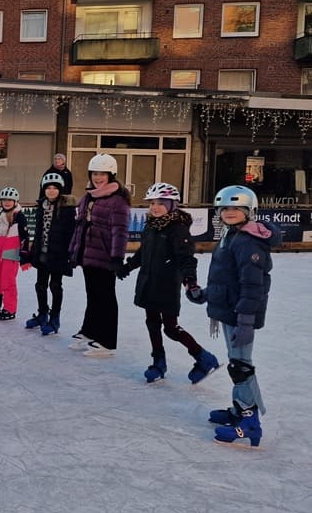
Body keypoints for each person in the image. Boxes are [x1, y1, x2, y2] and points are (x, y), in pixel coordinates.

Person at [186, 185, 280, 448]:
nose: (229, 212)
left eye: (236, 208)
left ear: (249, 211)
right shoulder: (232, 235)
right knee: (237, 362)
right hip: (230, 309)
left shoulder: (249, 241)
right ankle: (240, 409)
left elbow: (252, 287)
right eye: (225, 208)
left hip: (241, 314)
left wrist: (246, 322)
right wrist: (204, 294)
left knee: (241, 365)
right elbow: (227, 280)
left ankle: (250, 422)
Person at [117, 183, 219, 384]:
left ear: (172, 205)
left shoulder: (178, 229)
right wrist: (127, 267)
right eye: (152, 203)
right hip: (148, 282)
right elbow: (142, 253)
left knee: (170, 328)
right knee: (152, 323)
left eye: (161, 203)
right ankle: (158, 363)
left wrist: (191, 282)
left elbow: (186, 258)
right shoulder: (150, 226)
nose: (155, 207)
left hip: (166, 285)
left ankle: (204, 357)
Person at [68, 154, 131, 357]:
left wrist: (117, 257)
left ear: (111, 175)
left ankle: (107, 341)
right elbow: (79, 227)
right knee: (93, 295)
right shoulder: (89, 196)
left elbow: (120, 231)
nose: (98, 177)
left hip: (104, 256)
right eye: (95, 173)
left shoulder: (117, 201)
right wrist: (73, 251)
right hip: (87, 254)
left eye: (102, 173)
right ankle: (90, 331)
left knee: (106, 298)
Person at [25, 172, 77, 335]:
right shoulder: (41, 206)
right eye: (48, 188)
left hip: (59, 253)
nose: (51, 191)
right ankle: (42, 314)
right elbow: (39, 230)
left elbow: (71, 232)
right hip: (43, 252)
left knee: (55, 285)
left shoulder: (67, 209)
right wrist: (34, 250)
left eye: (55, 188)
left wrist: (70, 254)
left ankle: (55, 318)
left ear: (60, 190)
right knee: (40, 285)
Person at [0, 187, 31, 320]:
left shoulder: (19, 217)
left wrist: (25, 255)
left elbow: (25, 237)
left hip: (11, 250)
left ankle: (10, 308)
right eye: (4, 200)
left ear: (15, 201)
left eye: (10, 200)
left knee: (8, 280)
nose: (7, 202)